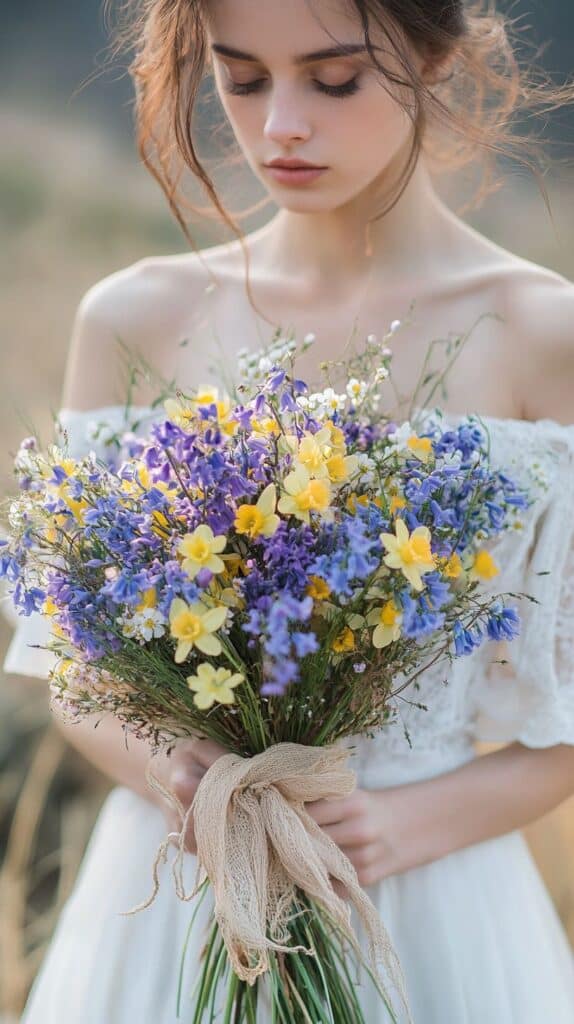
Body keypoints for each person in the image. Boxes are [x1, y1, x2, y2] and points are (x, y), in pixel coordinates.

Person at [4, 0, 574, 1020]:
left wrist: (403, 826)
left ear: (436, 57)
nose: (279, 130)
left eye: (336, 79)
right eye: (244, 78)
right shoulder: (135, 316)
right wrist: (180, 772)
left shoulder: (542, 332)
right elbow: (68, 666)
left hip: (422, 901)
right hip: (178, 890)